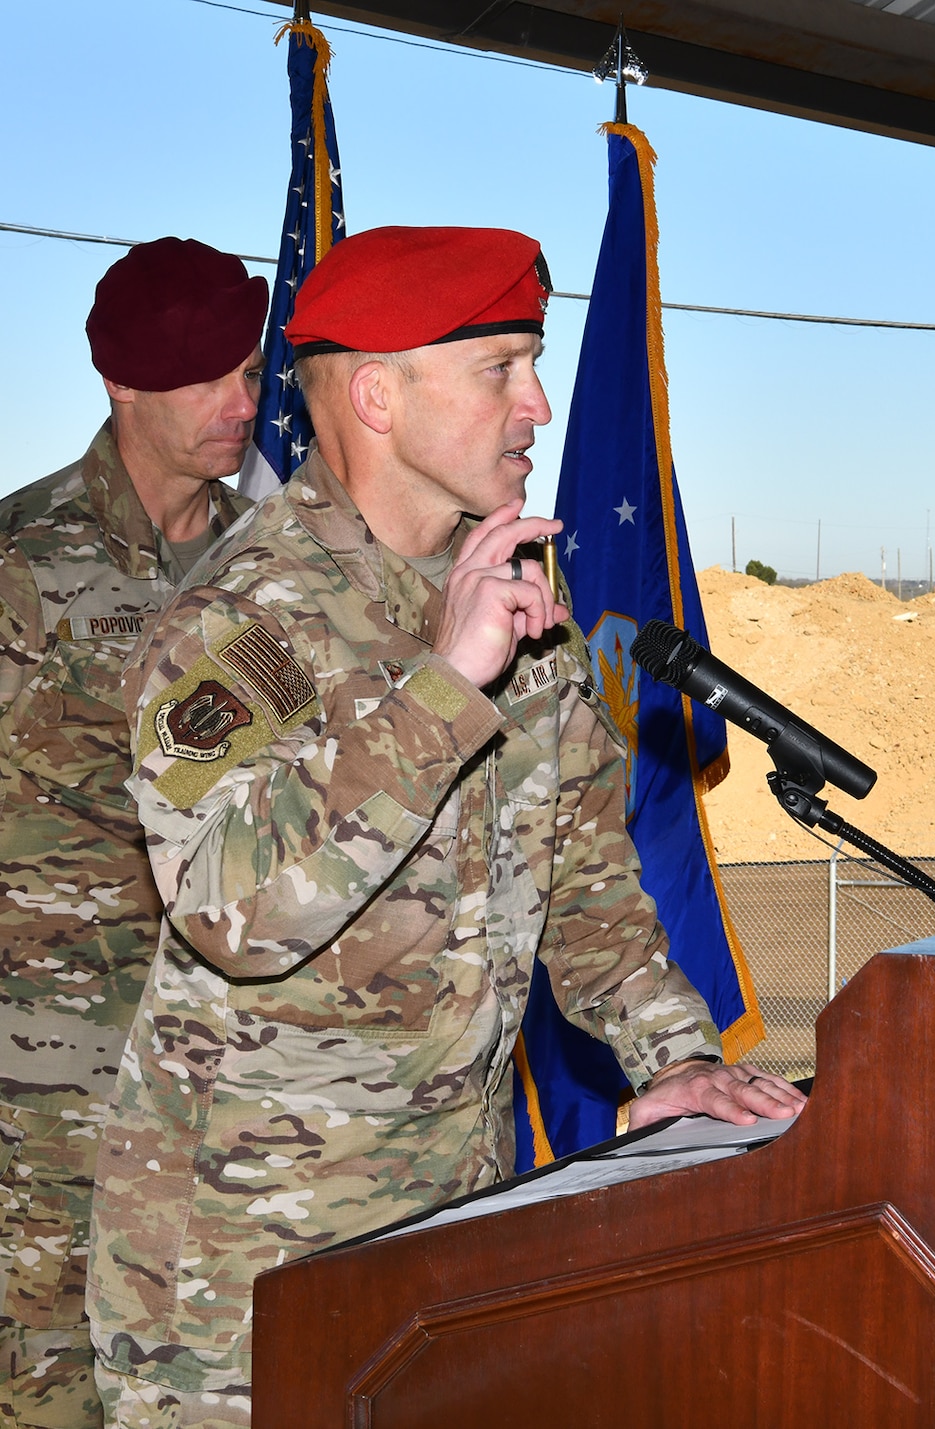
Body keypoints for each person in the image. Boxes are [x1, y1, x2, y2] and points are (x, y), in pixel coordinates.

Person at [87, 226, 805, 1428]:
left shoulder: (525, 592)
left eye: (535, 362)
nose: (538, 403)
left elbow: (587, 874)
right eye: (502, 368)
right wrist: (441, 685)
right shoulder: (241, 620)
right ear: (377, 393)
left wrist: (673, 1059)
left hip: (446, 1230)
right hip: (235, 1279)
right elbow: (230, 913)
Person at [0, 238, 264, 1429]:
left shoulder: (274, 576)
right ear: (121, 384)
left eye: (251, 372)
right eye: (205, 378)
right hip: (43, 1088)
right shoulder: (20, 562)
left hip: (234, 1079)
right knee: (47, 1382)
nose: (240, 404)